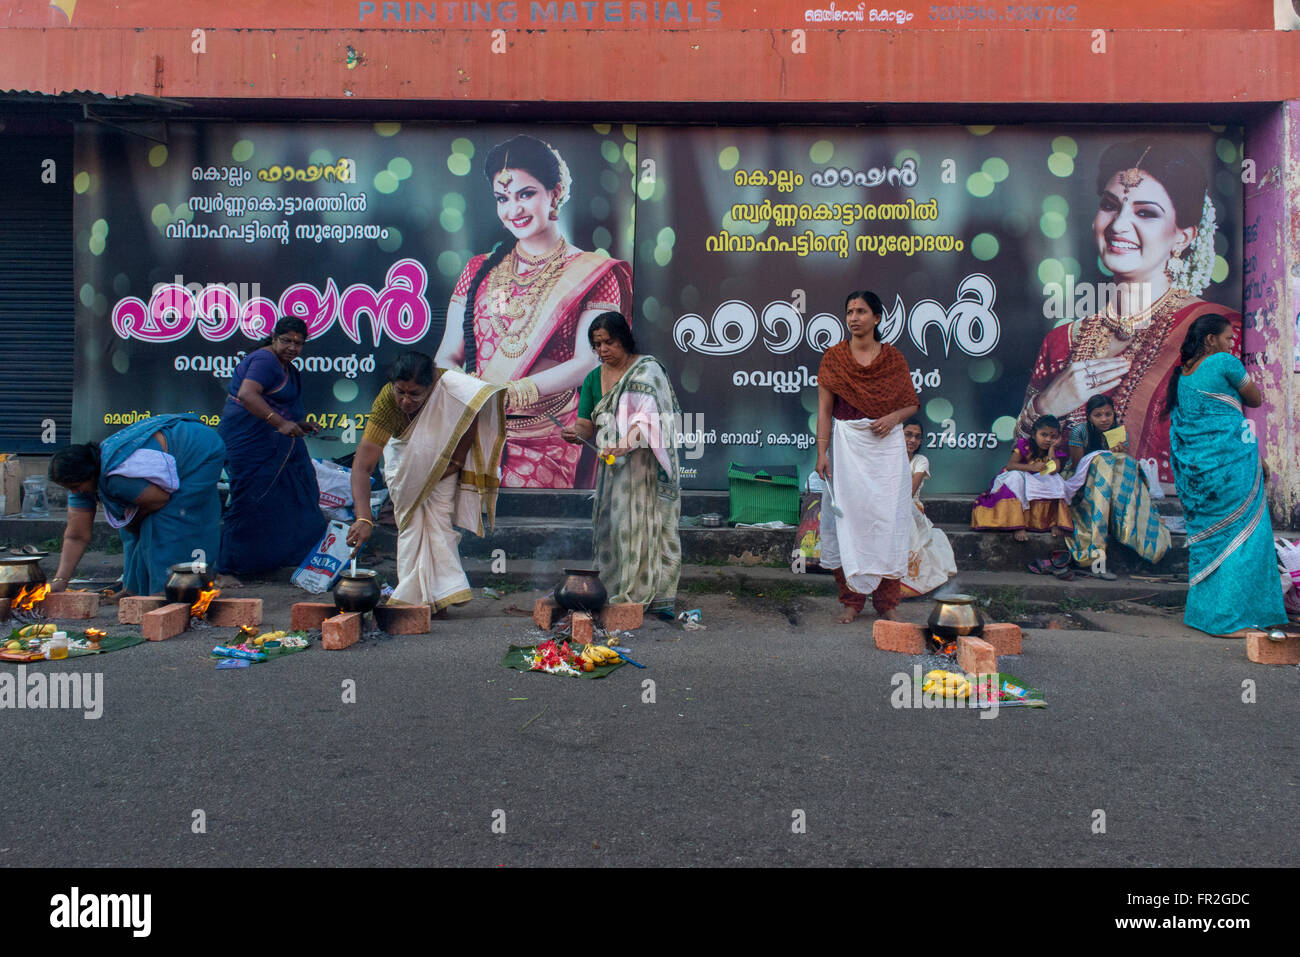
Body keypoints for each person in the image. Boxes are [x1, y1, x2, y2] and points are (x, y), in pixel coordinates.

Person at [1017, 139, 1242, 485]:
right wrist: (1047, 405)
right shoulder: (1061, 342)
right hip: (1059, 527)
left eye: (1145, 212)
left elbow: (1231, 463)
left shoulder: (1218, 335)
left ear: (1182, 236)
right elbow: (1021, 466)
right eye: (1110, 205)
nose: (1118, 225)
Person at [436, 133, 633, 489]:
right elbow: (447, 356)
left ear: (555, 193)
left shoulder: (592, 273)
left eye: (525, 194)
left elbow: (590, 361)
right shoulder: (478, 269)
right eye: (502, 198)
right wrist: (476, 396)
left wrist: (512, 393)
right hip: (478, 432)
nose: (514, 210)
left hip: (550, 441)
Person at [345, 352, 506, 616]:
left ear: (431, 387)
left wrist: (455, 462)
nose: (405, 400)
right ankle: (418, 598)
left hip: (445, 462)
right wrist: (363, 518)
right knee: (410, 525)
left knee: (438, 524)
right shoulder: (387, 402)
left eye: (415, 395)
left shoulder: (449, 386)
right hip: (404, 462)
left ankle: (437, 598)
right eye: (401, 392)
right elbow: (363, 466)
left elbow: (473, 412)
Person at [1165, 314, 1289, 637]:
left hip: (1201, 477)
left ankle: (1204, 615)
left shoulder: (1182, 375)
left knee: (1216, 541)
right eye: (1228, 337)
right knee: (1245, 540)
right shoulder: (1223, 362)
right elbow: (1255, 398)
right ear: (1211, 340)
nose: (1232, 343)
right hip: (1232, 471)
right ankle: (1230, 621)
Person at [563, 312, 681, 613]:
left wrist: (626, 443)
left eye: (608, 342)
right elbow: (586, 424)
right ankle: (617, 591)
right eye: (596, 344)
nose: (602, 349)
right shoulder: (592, 378)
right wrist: (575, 433)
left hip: (644, 467)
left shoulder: (647, 370)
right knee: (616, 528)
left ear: (624, 339)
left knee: (646, 527)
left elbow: (653, 420)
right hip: (612, 468)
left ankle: (649, 596)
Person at [815, 291, 920, 624]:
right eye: (849, 311)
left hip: (886, 448)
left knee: (887, 522)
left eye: (861, 311)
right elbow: (824, 412)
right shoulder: (834, 358)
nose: (854, 317)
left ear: (877, 317)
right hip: (847, 447)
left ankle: (887, 603)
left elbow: (911, 404)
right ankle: (851, 601)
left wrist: (893, 419)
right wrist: (822, 453)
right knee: (849, 521)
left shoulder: (893, 359)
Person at [47, 414, 225, 598]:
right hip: (171, 460)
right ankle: (133, 589)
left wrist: (134, 520)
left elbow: (160, 500)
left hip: (199, 448)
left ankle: (164, 592)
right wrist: (60, 581)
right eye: (69, 489)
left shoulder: (118, 478)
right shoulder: (79, 484)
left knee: (166, 519)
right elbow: (76, 535)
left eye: (76, 487)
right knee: (129, 528)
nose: (75, 493)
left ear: (91, 475)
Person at [217, 316, 326, 580]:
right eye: (286, 340)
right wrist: (279, 423)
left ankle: (281, 558)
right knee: (249, 500)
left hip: (277, 444)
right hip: (250, 442)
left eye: (298, 343)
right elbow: (247, 395)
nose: (292, 347)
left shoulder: (284, 365)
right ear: (274, 338)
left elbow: (276, 402)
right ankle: (226, 569)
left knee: (299, 492)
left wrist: (296, 424)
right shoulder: (265, 360)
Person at [1062, 394, 1170, 579]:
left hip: (1109, 480)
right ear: (1089, 416)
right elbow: (1078, 465)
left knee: (1125, 462)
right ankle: (1094, 557)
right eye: (1098, 415)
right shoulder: (1079, 431)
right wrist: (1104, 457)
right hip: (1083, 479)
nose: (1104, 419)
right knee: (1104, 462)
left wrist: (1115, 454)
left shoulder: (1118, 431)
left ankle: (1132, 531)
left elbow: (1118, 463)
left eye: (1108, 414)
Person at [971, 415, 1073, 542]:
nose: (1048, 439)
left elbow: (1054, 470)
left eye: (1053, 437)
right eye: (1044, 435)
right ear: (1034, 434)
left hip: (1035, 481)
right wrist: (1032, 467)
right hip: (1017, 477)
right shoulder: (1024, 445)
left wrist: (1052, 450)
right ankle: (1018, 524)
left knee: (1057, 480)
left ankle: (1052, 522)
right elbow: (1010, 466)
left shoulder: (1054, 451)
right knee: (1016, 478)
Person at [900, 419, 958, 598]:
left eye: (917, 437)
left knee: (904, 509)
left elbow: (909, 492)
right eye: (908, 434)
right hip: (887, 507)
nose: (913, 440)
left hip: (911, 509)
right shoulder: (887, 458)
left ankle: (905, 583)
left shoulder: (920, 460)